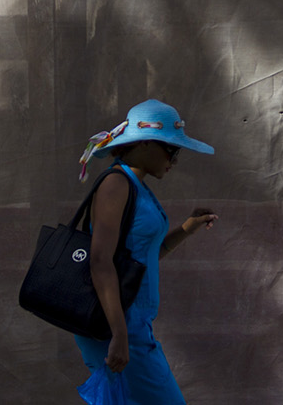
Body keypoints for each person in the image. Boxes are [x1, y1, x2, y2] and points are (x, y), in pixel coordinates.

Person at [74, 99, 217, 405]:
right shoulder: (117, 184)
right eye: (171, 149)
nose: (175, 159)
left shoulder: (135, 185)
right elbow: (99, 261)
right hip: (118, 324)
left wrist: (187, 228)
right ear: (145, 143)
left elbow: (141, 258)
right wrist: (120, 334)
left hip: (132, 324)